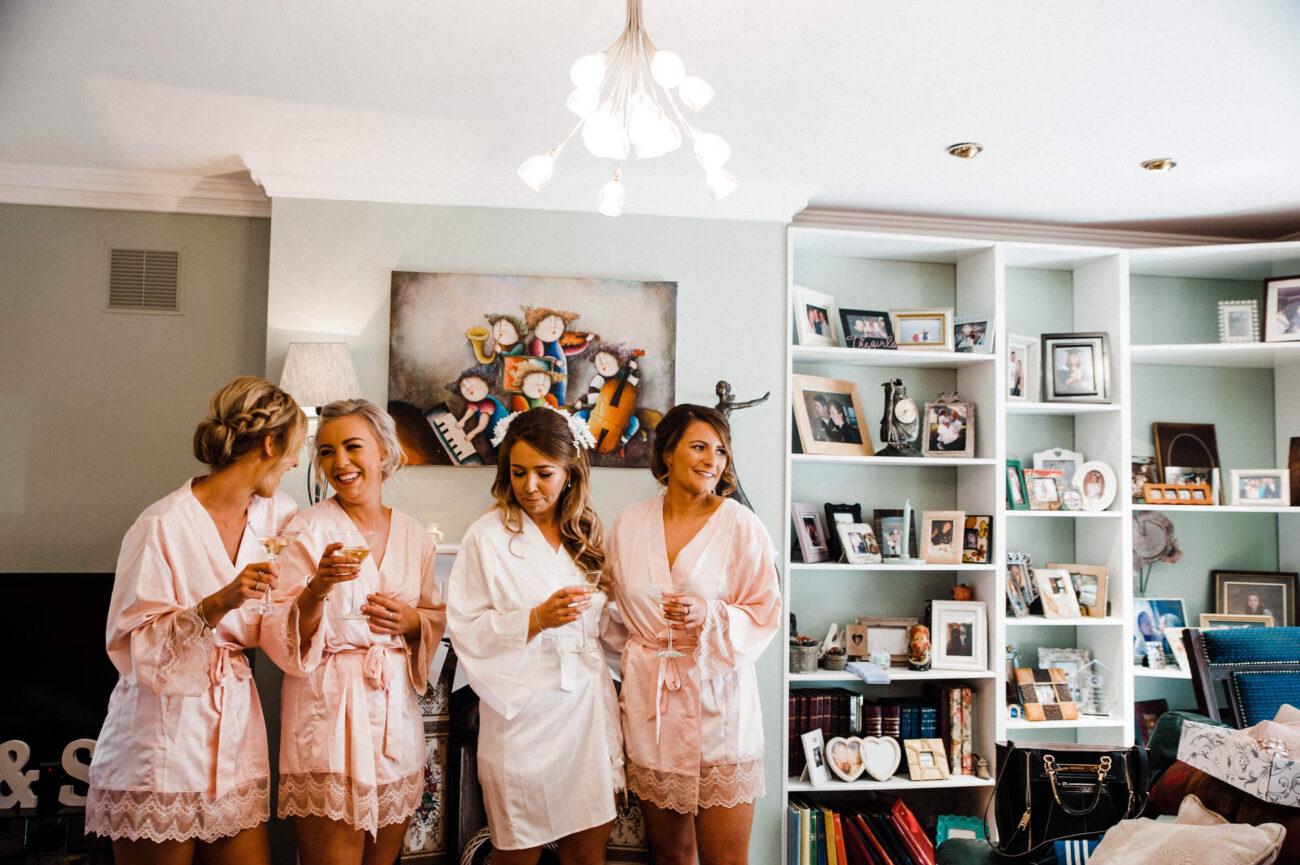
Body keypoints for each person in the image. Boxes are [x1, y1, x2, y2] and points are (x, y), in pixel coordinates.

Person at [86, 376, 306, 864]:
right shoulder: (161, 525)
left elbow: (281, 616)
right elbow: (132, 644)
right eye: (294, 449)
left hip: (234, 734)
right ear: (271, 444)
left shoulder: (279, 517)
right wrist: (216, 603)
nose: (295, 463)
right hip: (159, 739)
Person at [265, 399, 446, 865]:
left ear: (384, 451)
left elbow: (432, 617)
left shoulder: (414, 536)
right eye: (326, 452)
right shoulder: (307, 528)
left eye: (352, 447)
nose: (339, 463)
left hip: (393, 714)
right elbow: (282, 629)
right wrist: (318, 586)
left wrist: (413, 623)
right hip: (327, 709)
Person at [446, 407, 623, 864]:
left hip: (585, 711)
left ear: (569, 473)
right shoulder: (486, 537)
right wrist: (536, 619)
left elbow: (606, 628)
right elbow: (464, 626)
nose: (529, 486)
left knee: (587, 850)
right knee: (516, 850)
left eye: (544, 473)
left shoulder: (585, 533)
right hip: (521, 718)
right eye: (518, 472)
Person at [606, 404, 781, 865]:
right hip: (653, 705)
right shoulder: (629, 524)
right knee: (669, 855)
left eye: (721, 451)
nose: (712, 460)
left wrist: (710, 615)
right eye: (699, 447)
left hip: (720, 705)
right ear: (666, 453)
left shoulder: (741, 525)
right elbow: (612, 608)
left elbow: (765, 611)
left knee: (726, 859)